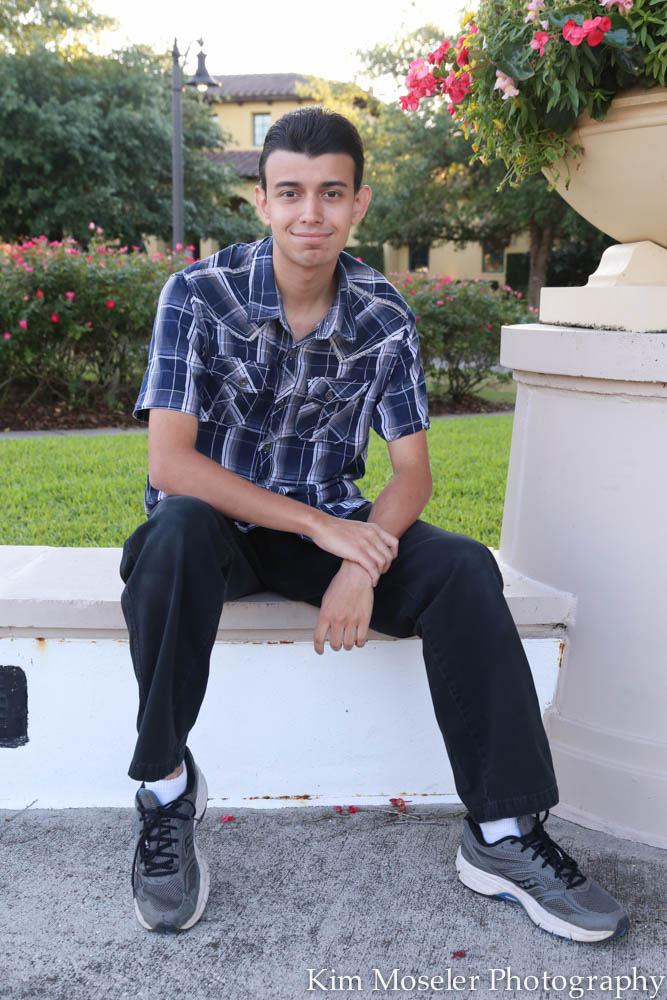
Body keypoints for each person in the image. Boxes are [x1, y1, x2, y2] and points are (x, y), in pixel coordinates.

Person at [119, 107, 628, 941]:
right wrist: (324, 532)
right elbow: (170, 465)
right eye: (290, 192)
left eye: (330, 193)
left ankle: (501, 833)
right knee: (170, 534)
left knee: (462, 567)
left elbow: (411, 472)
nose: (309, 212)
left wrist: (359, 564)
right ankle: (166, 791)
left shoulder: (382, 312)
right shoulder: (198, 294)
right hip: (216, 531)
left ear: (358, 203)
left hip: (332, 533)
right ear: (261, 201)